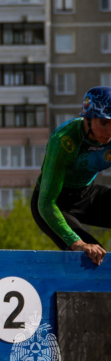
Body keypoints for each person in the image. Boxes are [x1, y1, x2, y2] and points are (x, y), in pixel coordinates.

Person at [31, 86, 111, 266]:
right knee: (94, 256)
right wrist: (77, 243)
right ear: (88, 119)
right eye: (104, 123)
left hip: (87, 194)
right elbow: (46, 202)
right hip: (54, 204)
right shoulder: (64, 140)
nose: (109, 131)